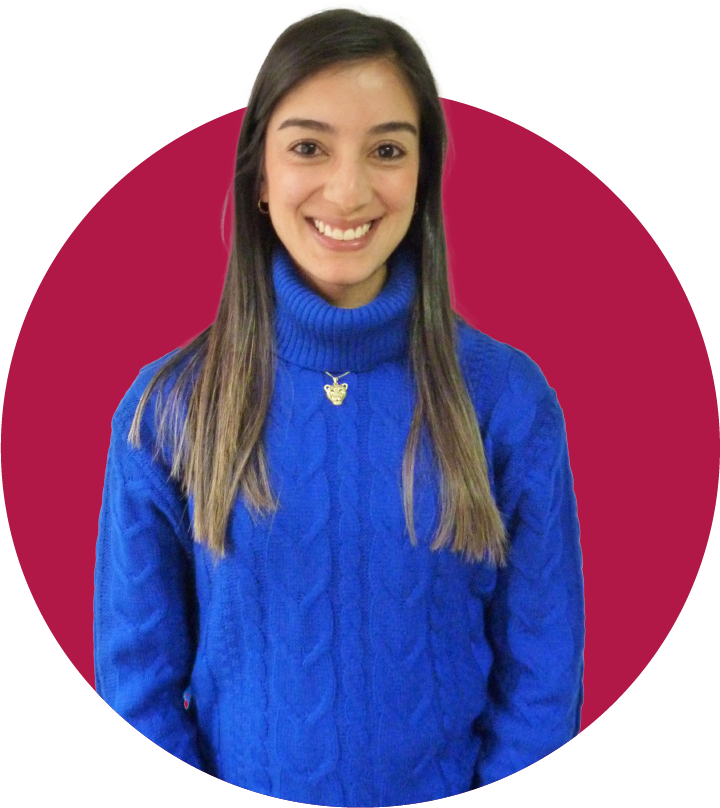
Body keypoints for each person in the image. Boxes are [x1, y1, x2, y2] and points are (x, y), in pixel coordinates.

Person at [93, 6, 584, 806]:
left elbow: (544, 683)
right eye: (308, 147)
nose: (348, 190)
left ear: (423, 175)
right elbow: (136, 696)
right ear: (259, 177)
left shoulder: (508, 400)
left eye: (387, 150)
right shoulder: (166, 411)